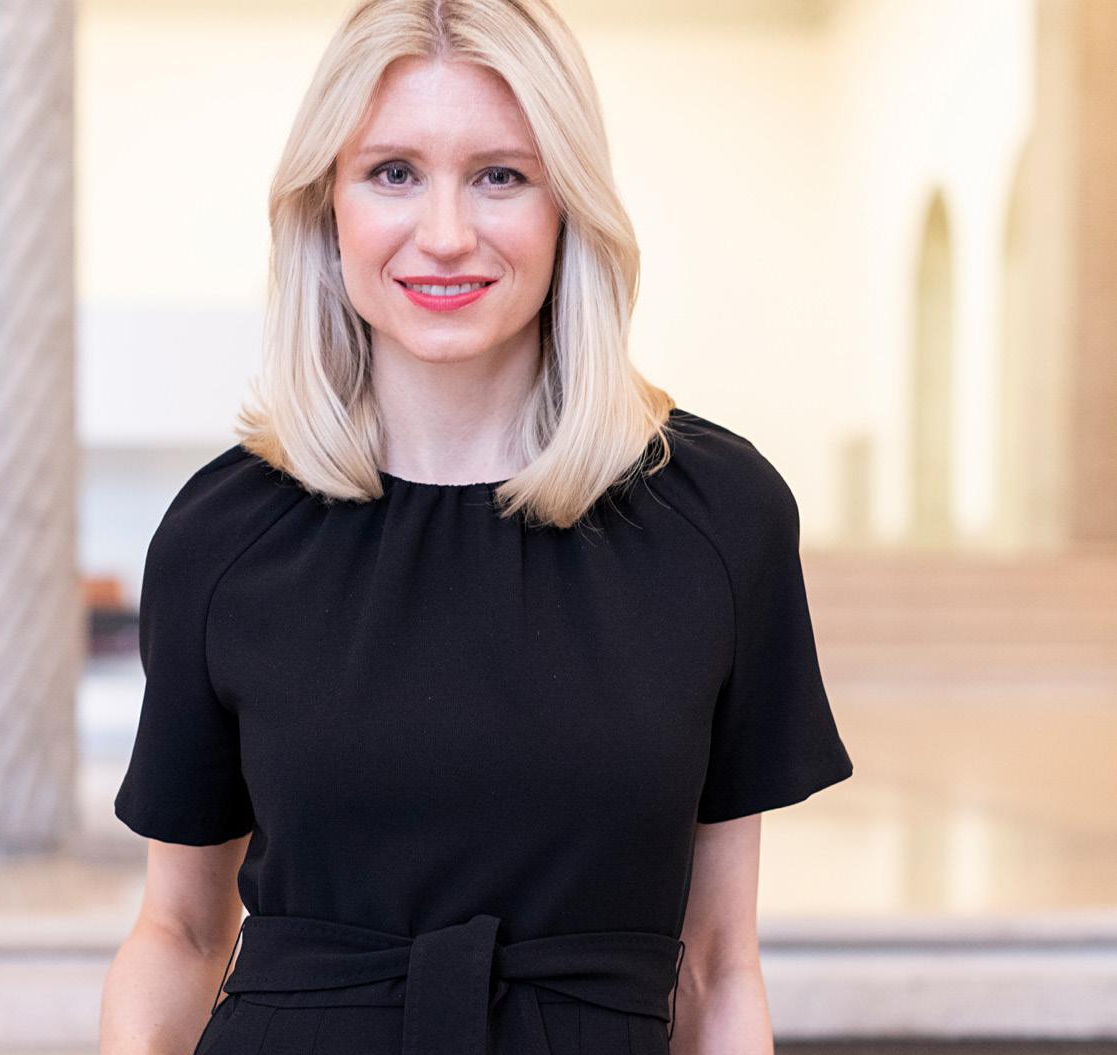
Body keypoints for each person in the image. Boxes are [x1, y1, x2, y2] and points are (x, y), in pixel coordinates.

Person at [98, 0, 854, 1052]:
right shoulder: (224, 533)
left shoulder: (717, 517)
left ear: (567, 205)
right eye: (392, 172)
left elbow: (719, 961)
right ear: (326, 207)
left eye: (500, 175)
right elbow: (179, 931)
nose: (446, 233)